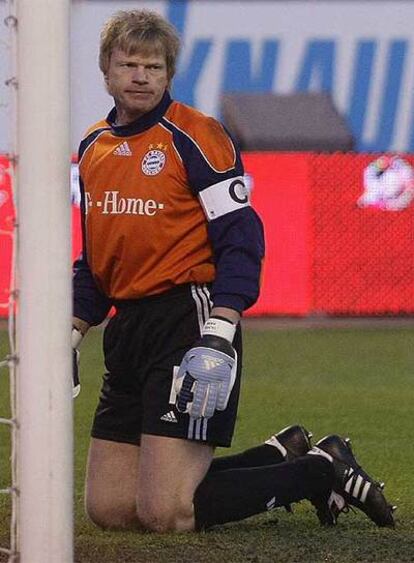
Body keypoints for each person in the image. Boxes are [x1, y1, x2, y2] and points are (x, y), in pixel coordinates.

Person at [72, 9, 395, 533]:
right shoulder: (92, 147)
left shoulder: (198, 135)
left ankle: (320, 469)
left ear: (168, 74)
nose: (140, 76)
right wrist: (72, 330)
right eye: (129, 64)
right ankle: (283, 454)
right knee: (110, 509)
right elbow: (94, 260)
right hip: (127, 329)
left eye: (153, 67)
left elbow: (241, 238)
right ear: (106, 71)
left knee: (166, 513)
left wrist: (219, 328)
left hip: (188, 321)